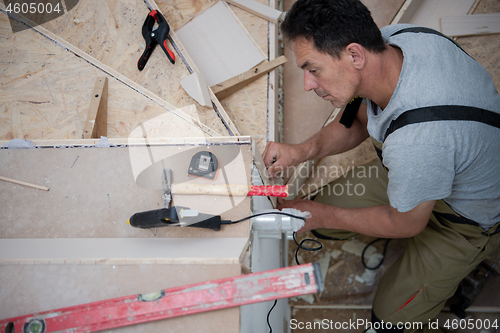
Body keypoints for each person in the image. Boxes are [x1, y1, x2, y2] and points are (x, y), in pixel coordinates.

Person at [262, 0, 500, 332]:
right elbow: (357, 120)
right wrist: (302, 151)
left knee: (390, 318)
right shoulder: (397, 40)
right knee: (320, 210)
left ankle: (469, 263)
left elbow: (406, 222)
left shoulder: (418, 139)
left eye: (313, 69)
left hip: (465, 219)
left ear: (355, 55)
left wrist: (321, 216)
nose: (308, 84)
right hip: (422, 170)